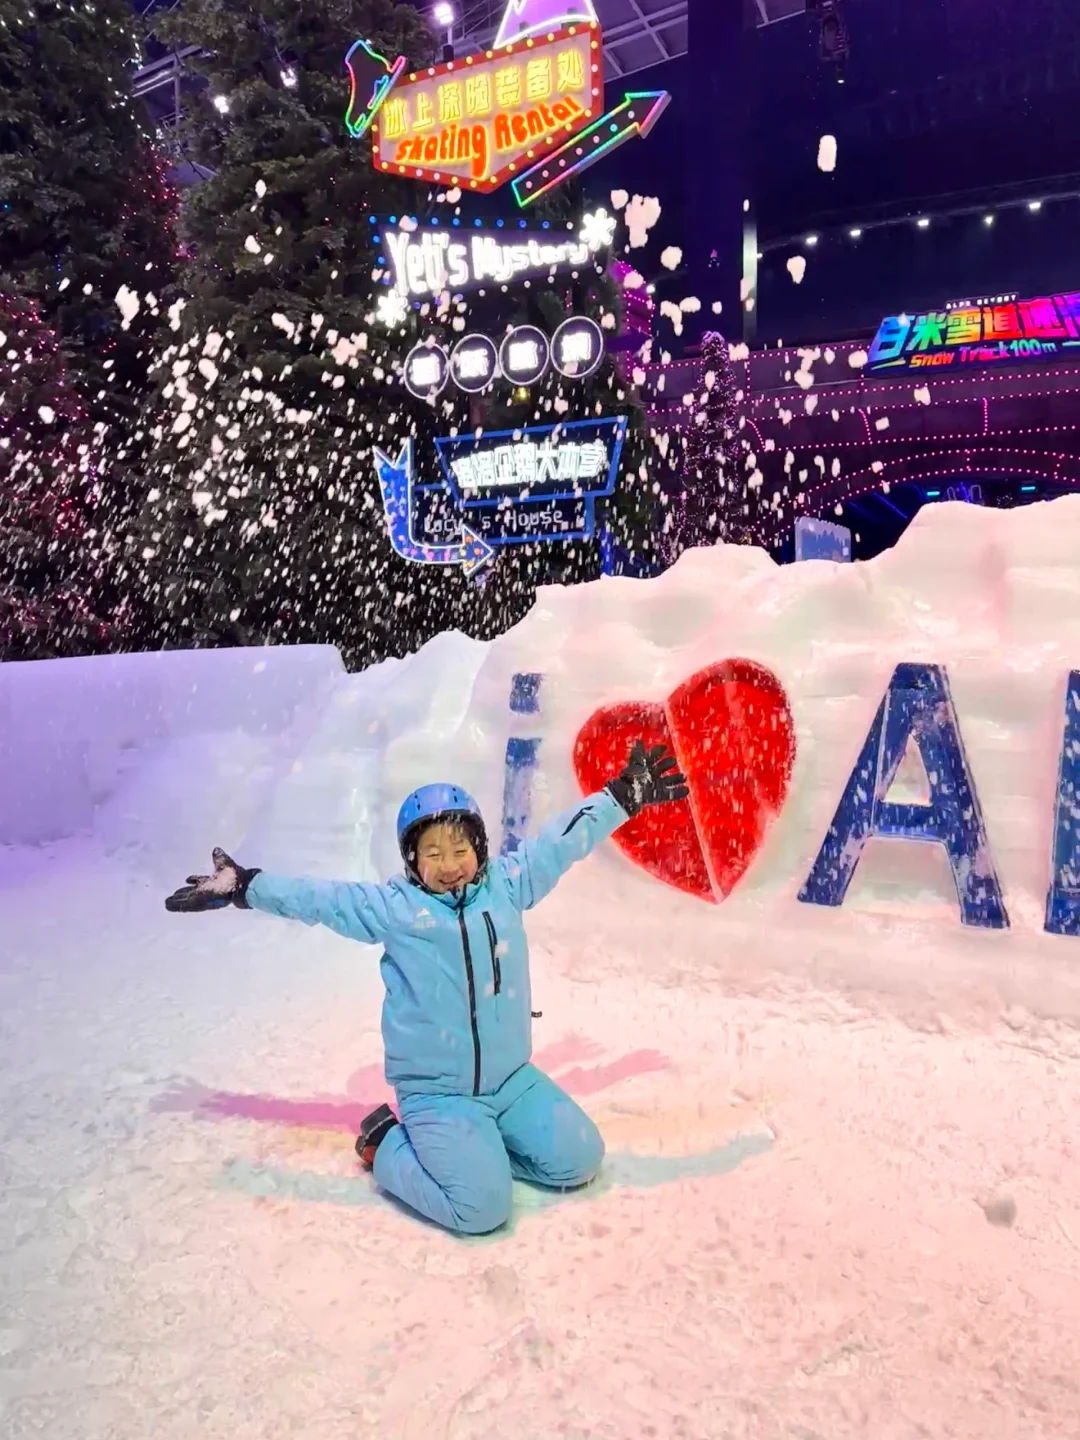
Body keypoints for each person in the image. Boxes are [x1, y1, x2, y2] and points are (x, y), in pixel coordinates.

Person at [165, 741, 688, 1235]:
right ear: (412, 860)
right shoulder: (395, 910)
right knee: (482, 1208)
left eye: (460, 848)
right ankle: (384, 1142)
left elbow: (561, 841)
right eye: (431, 853)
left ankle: (482, 1148)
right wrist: (247, 886)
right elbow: (319, 899)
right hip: (438, 1094)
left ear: (479, 848)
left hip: (511, 1080)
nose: (449, 864)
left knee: (581, 1159)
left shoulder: (508, 885)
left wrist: (622, 797)